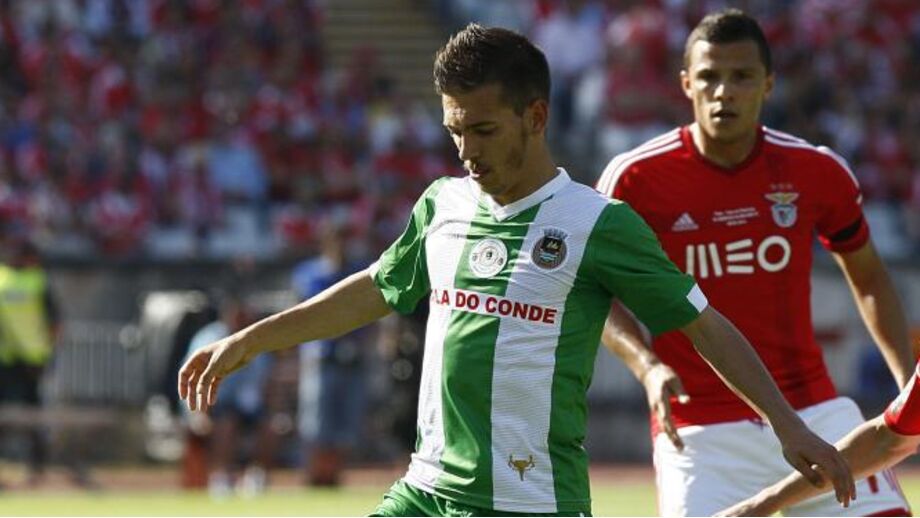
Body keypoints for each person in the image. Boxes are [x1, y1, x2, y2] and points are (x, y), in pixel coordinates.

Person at [179, 23, 857, 516]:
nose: (466, 150)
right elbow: (375, 291)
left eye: (483, 130)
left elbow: (705, 325)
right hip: (425, 491)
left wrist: (789, 426)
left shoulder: (597, 223)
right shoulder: (443, 204)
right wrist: (249, 340)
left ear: (535, 117)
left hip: (528, 501)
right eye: (454, 131)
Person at [594, 9, 913, 517]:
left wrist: (906, 384)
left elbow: (870, 276)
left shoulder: (817, 170)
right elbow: (594, 293)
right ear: (686, 85)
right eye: (709, 77)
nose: (725, 91)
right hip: (699, 429)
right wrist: (647, 366)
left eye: (741, 76)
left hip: (815, 410)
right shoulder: (634, 179)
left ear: (767, 84)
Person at [719, 357, 920, 516]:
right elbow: (887, 441)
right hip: (712, 433)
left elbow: (887, 442)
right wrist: (760, 505)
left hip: (818, 406)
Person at [293, 219, 369, 486]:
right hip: (321, 358)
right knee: (315, 424)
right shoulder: (310, 273)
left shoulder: (358, 271)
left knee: (346, 425)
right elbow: (310, 315)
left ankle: (335, 478)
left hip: (352, 359)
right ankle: (313, 477)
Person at [182, 290, 275, 499]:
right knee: (227, 424)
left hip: (248, 406)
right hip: (215, 405)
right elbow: (192, 379)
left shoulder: (257, 338)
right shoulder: (208, 339)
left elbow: (266, 382)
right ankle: (221, 478)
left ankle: (255, 479)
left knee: (272, 426)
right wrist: (197, 414)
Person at [0, 238, 60, 487]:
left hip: (13, 358)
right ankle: (37, 469)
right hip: (28, 359)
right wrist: (50, 352)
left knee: (26, 417)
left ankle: (36, 469)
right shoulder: (37, 281)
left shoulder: (10, 279)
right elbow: (55, 323)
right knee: (31, 417)